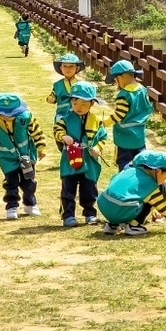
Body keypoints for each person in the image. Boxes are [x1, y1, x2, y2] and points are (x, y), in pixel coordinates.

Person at [98, 150, 166, 236]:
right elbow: (165, 211)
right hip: (122, 210)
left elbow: (112, 183)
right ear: (158, 171)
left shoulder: (128, 170)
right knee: (147, 201)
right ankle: (134, 226)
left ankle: (112, 225)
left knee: (124, 197)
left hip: (104, 204)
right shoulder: (150, 185)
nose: (165, 180)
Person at [0, 93, 47, 219]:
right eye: (5, 113)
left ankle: (30, 204)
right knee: (11, 182)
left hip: (26, 155)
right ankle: (11, 206)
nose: (9, 116)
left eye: (12, 112)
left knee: (29, 181)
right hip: (7, 159)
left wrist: (41, 147)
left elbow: (37, 132)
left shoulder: (26, 117)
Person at [53, 80, 109, 227]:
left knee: (89, 188)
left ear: (91, 104)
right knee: (68, 188)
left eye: (84, 104)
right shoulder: (65, 119)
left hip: (89, 160)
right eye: (75, 103)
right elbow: (57, 131)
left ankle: (90, 213)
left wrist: (98, 147)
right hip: (70, 159)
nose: (79, 107)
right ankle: (68, 215)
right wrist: (63, 137)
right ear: (71, 101)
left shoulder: (96, 121)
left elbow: (103, 137)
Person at [108, 58, 151, 171]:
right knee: (141, 160)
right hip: (139, 134)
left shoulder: (124, 95)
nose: (116, 83)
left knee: (123, 161)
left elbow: (119, 115)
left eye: (116, 80)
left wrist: (105, 122)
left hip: (124, 137)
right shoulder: (143, 90)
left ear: (121, 77)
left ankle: (125, 181)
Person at [46, 53, 84, 121]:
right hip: (61, 117)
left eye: (71, 66)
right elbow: (53, 96)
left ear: (77, 68)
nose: (67, 69)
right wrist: (51, 99)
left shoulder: (81, 85)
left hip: (78, 116)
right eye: (65, 66)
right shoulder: (57, 85)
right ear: (61, 68)